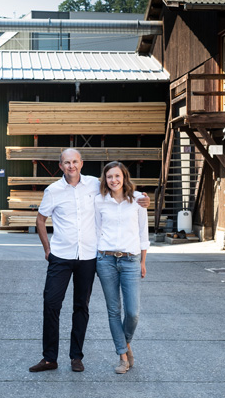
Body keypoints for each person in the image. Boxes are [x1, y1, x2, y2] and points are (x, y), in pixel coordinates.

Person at [29, 149, 149, 373]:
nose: (71, 166)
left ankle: (76, 357)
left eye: (75, 162)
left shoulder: (95, 185)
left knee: (81, 307)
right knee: (51, 304)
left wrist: (143, 199)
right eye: (67, 162)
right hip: (61, 256)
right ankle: (49, 358)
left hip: (88, 257)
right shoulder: (52, 190)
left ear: (81, 164)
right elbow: (40, 220)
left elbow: (123, 191)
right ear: (61, 165)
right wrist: (47, 249)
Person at [94, 161, 149, 374]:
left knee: (133, 312)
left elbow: (143, 233)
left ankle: (126, 343)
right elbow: (97, 231)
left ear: (124, 177)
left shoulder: (138, 200)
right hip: (106, 260)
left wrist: (143, 261)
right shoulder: (99, 201)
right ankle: (122, 356)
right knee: (113, 310)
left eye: (117, 176)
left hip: (131, 259)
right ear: (105, 180)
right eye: (109, 177)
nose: (114, 180)